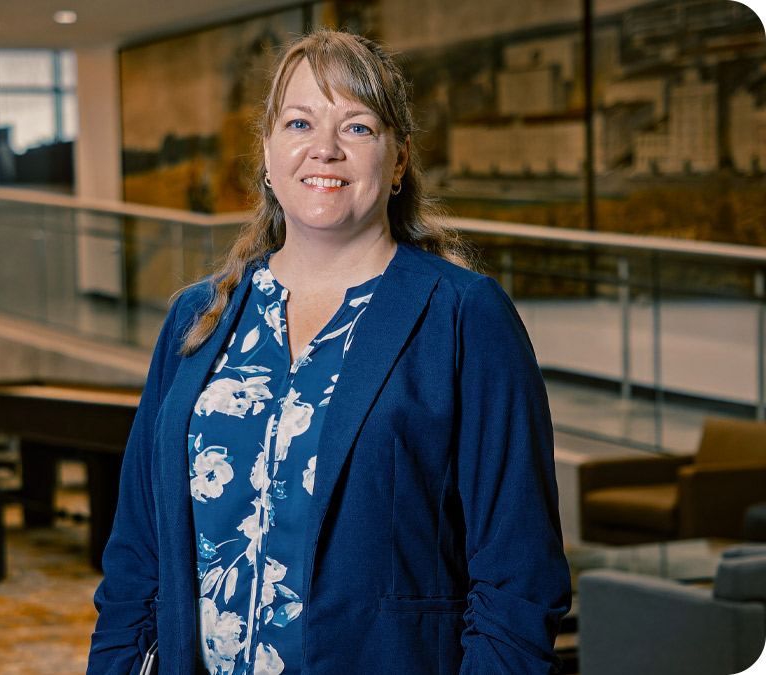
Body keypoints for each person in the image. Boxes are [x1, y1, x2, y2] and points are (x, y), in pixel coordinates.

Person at [87, 29, 571, 675]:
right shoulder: (197, 318)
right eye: (299, 122)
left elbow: (519, 576)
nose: (325, 149)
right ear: (267, 152)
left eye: (359, 127)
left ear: (398, 161)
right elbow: (137, 553)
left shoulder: (462, 315)